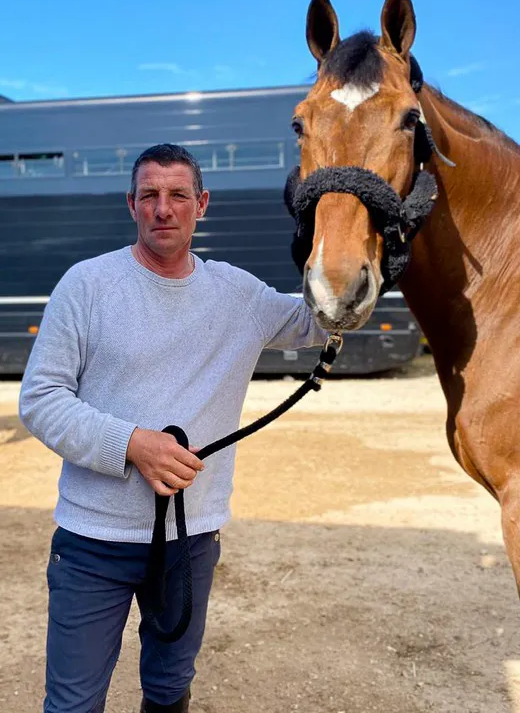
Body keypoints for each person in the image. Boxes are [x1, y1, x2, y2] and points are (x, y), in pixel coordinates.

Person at [19, 143, 327, 713]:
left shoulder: (239, 295)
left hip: (190, 541)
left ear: (201, 204)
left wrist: (346, 229)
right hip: (92, 544)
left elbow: (322, 318)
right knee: (72, 702)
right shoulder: (86, 287)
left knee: (168, 689)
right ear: (131, 204)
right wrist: (132, 444)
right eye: (150, 195)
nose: (164, 208)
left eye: (178, 195)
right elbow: (40, 399)